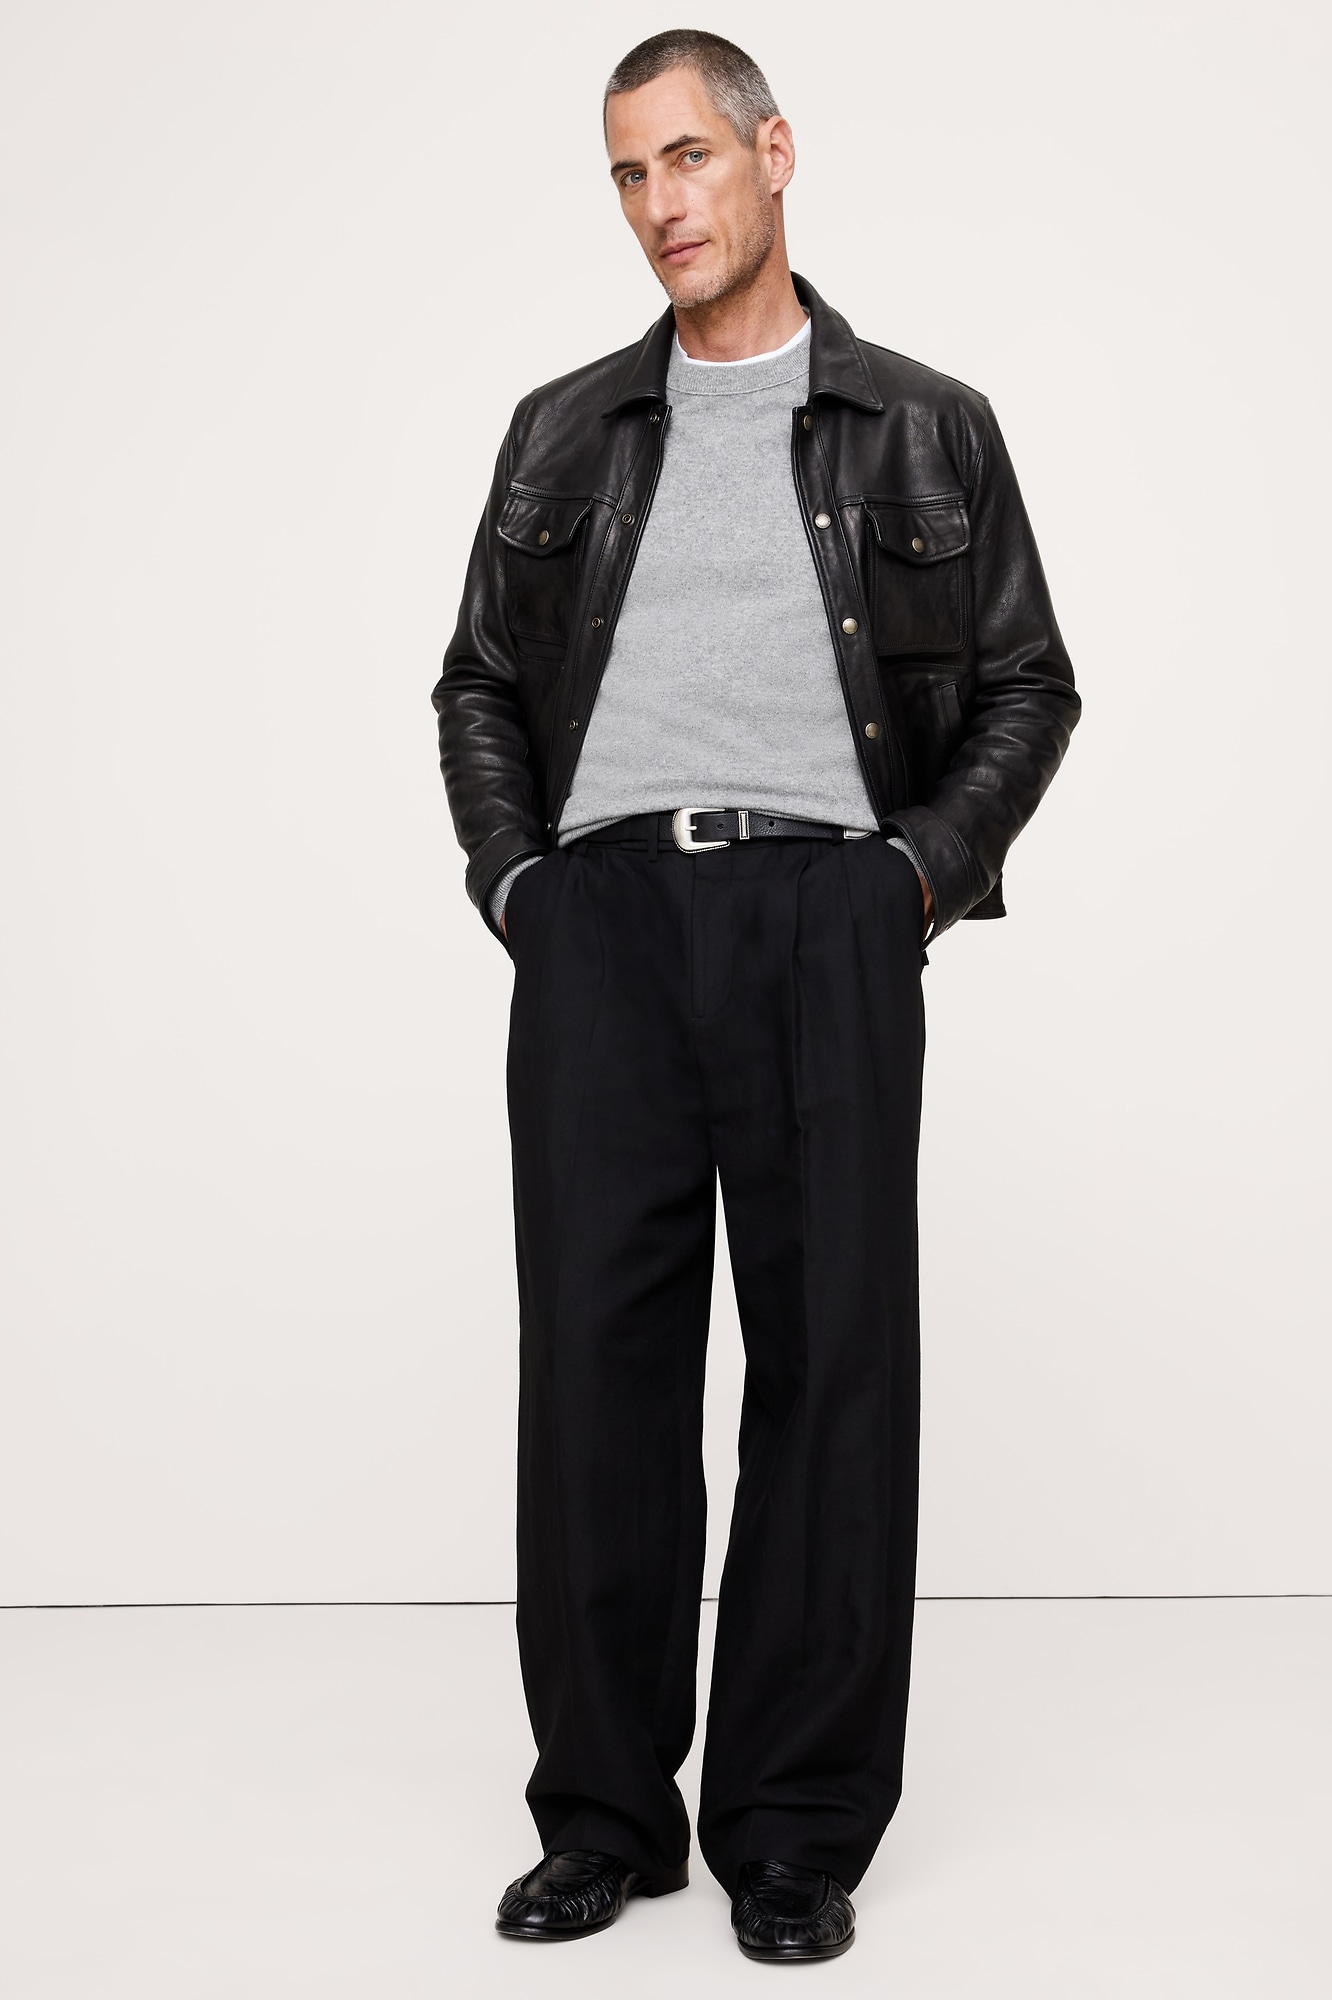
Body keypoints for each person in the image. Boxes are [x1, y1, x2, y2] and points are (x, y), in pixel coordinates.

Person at [432, 28, 1078, 1963]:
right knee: (597, 1379)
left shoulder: (926, 425)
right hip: (604, 927)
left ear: (775, 154)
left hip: (826, 917)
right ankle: (603, 1816)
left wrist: (908, 880)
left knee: (830, 1372)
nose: (662, 206)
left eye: (690, 159)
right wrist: (522, 885)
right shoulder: (561, 430)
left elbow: (1030, 682)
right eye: (629, 175)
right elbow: (479, 682)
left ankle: (793, 1832)